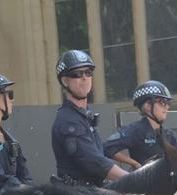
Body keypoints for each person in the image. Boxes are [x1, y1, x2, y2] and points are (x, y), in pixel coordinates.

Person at [52, 50, 126, 185]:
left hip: (94, 192)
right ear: (65, 81)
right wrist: (133, 179)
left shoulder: (83, 115)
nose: (84, 78)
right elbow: (94, 162)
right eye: (77, 74)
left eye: (88, 73)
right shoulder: (68, 121)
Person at [103, 80, 177, 170]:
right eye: (161, 102)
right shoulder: (136, 130)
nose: (167, 107)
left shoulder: (169, 134)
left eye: (168, 103)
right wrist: (135, 164)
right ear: (147, 106)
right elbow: (107, 148)